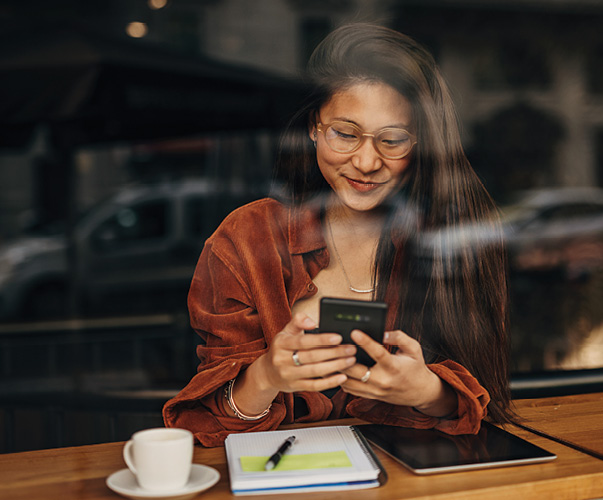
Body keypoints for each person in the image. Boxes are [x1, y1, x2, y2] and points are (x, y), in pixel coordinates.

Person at [163, 23, 512, 447]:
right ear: (314, 126)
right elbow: (209, 423)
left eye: (392, 140)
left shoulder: (450, 236)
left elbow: (487, 407)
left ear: (419, 143)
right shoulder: (246, 239)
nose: (366, 161)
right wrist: (268, 375)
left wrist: (428, 393)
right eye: (345, 134)